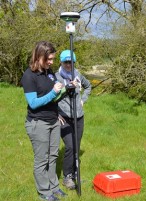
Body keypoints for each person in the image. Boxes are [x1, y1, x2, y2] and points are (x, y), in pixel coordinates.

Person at [21, 41, 67, 201]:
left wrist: (65, 90)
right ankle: (44, 192)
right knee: (42, 159)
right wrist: (54, 93)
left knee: (53, 156)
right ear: (39, 56)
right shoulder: (29, 76)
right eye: (48, 59)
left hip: (53, 120)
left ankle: (54, 187)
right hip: (38, 122)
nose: (51, 62)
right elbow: (33, 103)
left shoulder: (49, 72)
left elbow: (54, 97)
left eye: (53, 59)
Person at [56, 50, 91, 190]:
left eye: (71, 62)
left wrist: (83, 100)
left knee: (76, 146)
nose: (68, 65)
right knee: (70, 146)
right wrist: (55, 112)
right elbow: (51, 97)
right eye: (66, 62)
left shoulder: (78, 75)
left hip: (79, 117)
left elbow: (88, 86)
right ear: (61, 62)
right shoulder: (55, 77)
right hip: (64, 117)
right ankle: (67, 177)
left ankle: (76, 173)